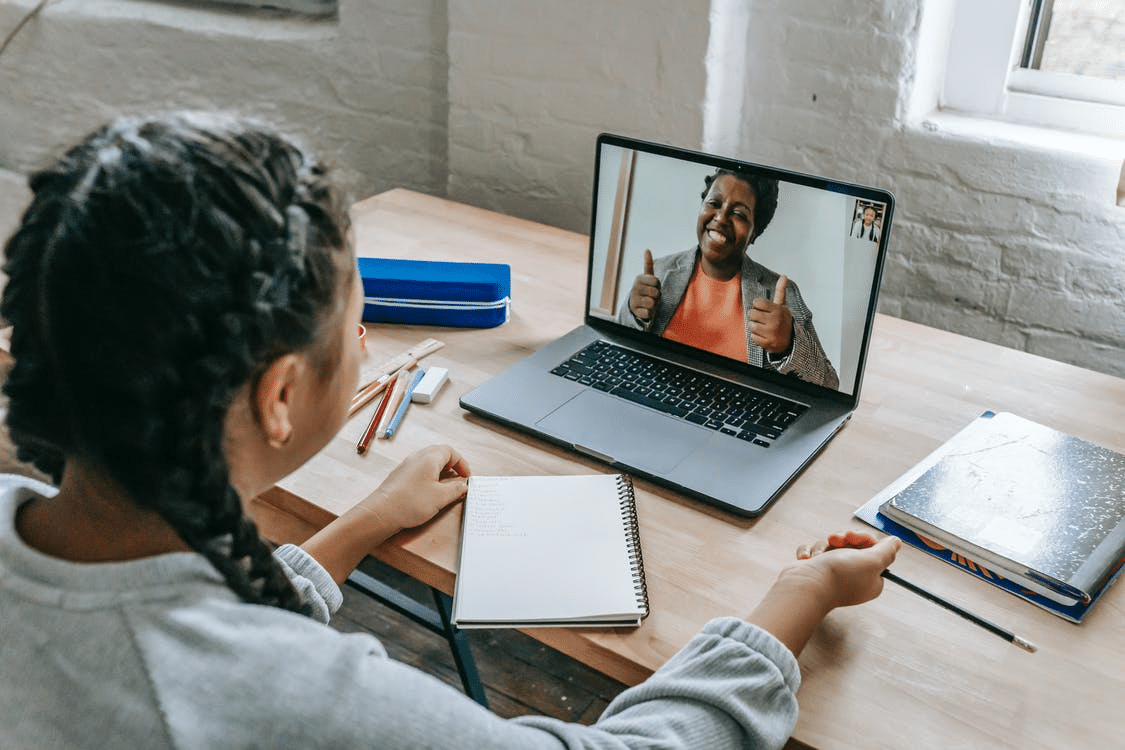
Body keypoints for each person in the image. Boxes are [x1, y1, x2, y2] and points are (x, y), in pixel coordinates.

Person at [0, 112, 900, 749]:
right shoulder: (300, 698)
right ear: (279, 397)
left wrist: (356, 526)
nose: (363, 340)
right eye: (356, 319)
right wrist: (797, 598)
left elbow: (183, 613)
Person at [617, 168, 840, 390]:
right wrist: (632, 314)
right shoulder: (660, 272)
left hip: (736, 418)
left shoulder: (781, 293)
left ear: (754, 233)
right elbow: (621, 352)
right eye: (714, 203)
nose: (721, 218)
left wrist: (788, 344)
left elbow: (829, 386)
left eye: (740, 214)